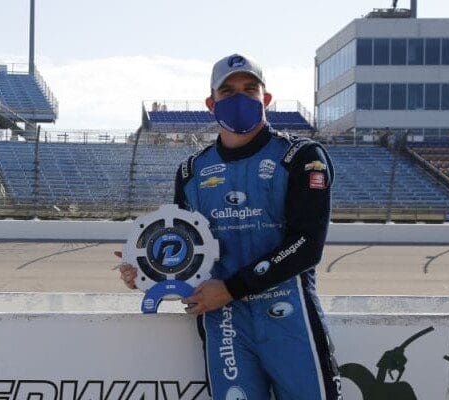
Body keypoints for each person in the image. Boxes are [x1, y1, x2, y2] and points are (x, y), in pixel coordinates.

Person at [117, 54, 341, 399]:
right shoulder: (192, 171)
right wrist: (147, 271)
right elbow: (183, 248)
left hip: (290, 320)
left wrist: (234, 287)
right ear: (212, 103)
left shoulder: (301, 156)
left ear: (265, 99)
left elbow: (307, 245)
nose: (240, 97)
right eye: (228, 90)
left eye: (250, 89)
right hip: (224, 323)